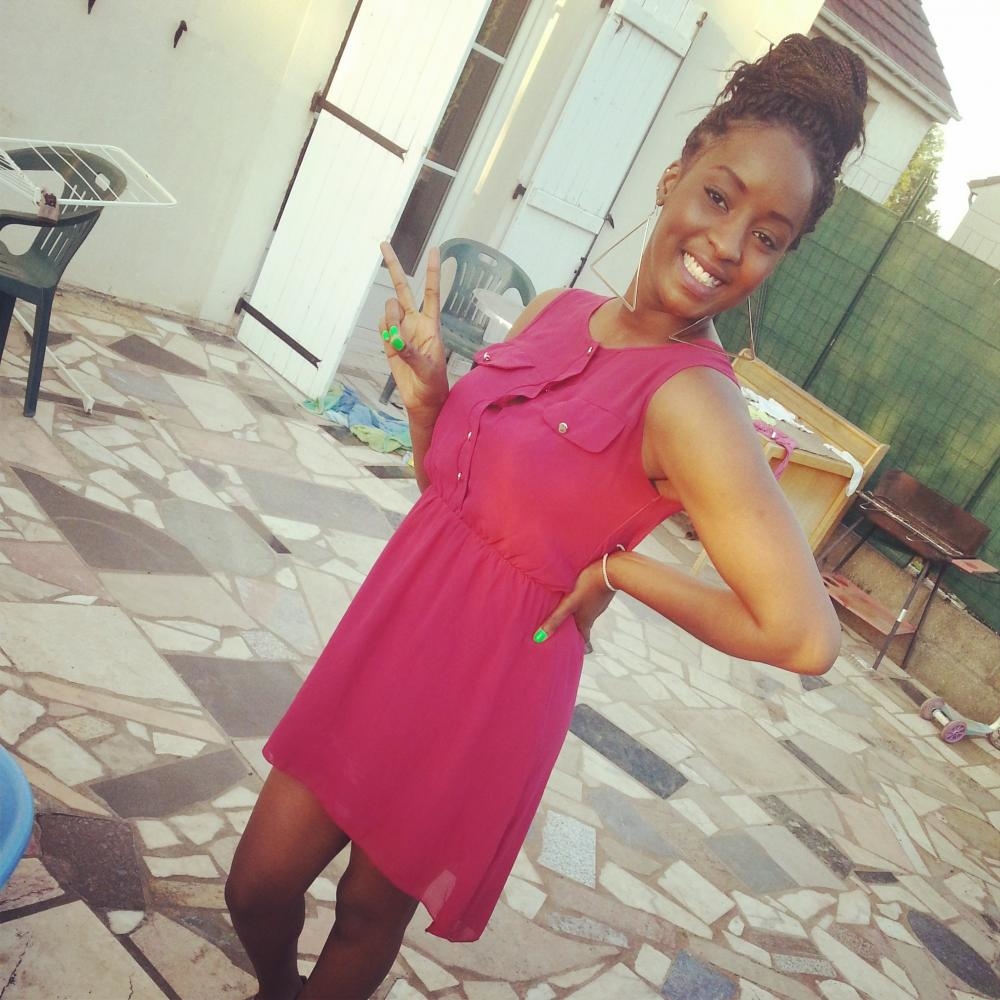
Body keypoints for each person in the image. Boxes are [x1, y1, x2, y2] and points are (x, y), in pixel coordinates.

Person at [226, 33, 868, 1000]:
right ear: (674, 176)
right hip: (396, 631)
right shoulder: (560, 310)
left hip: (492, 685)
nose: (729, 245)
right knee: (258, 883)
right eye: (719, 196)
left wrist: (620, 570)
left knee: (366, 912)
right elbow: (453, 493)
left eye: (769, 236)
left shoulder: (694, 401)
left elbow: (804, 635)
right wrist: (429, 397)